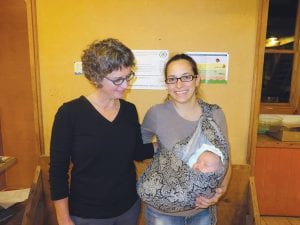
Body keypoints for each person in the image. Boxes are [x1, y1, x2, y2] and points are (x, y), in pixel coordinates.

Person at [49, 38, 154, 225]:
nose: (125, 85)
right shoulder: (70, 114)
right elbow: (57, 171)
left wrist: (165, 143)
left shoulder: (129, 110)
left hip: (128, 209)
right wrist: (63, 218)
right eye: (117, 80)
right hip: (87, 215)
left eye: (128, 76)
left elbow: (137, 151)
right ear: (96, 77)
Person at [140, 53, 232, 225]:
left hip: (202, 209)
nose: (179, 85)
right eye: (172, 79)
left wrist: (219, 193)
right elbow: (138, 146)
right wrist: (159, 147)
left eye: (186, 77)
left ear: (197, 80)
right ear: (166, 84)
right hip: (162, 212)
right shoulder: (156, 114)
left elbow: (226, 160)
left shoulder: (214, 115)